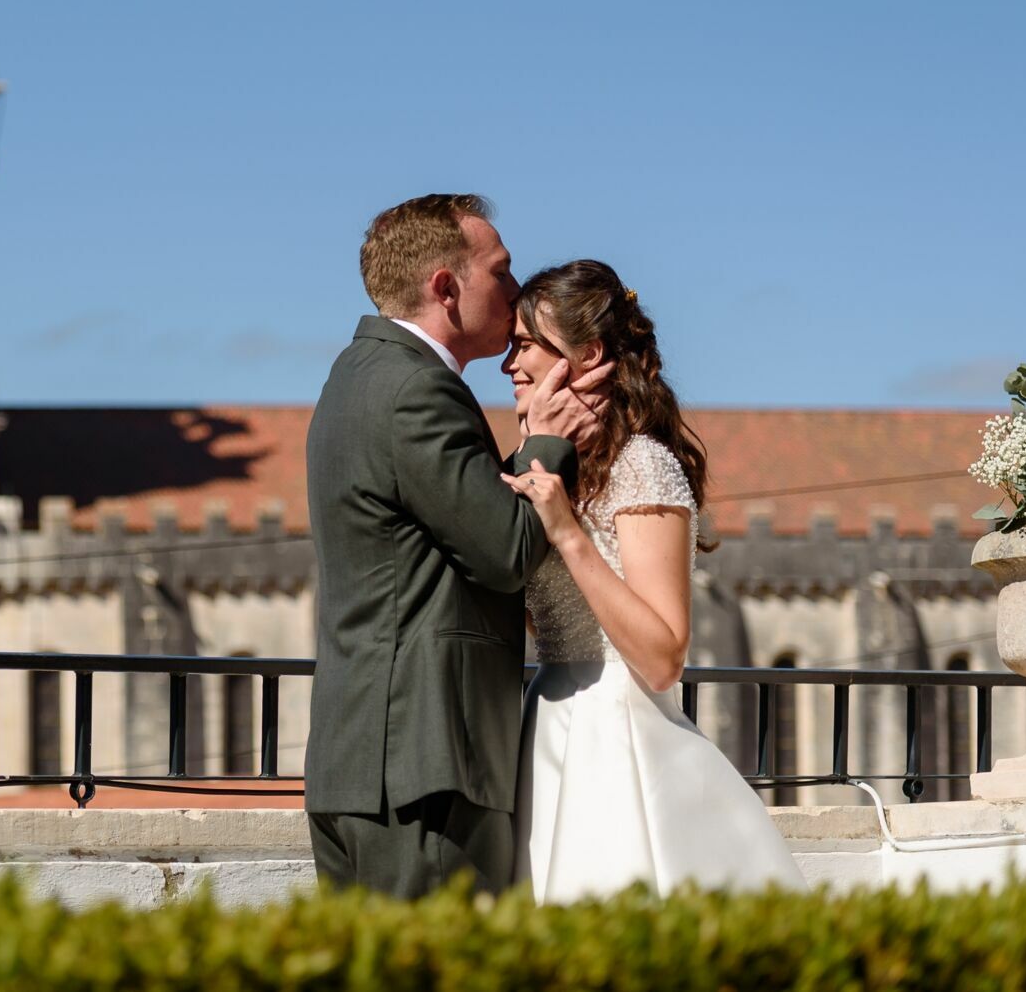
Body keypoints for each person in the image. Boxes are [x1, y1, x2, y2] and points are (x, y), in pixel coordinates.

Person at [304, 194, 608, 897]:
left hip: (361, 765)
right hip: (424, 770)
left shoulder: (356, 377)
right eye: (499, 271)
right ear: (447, 287)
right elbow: (504, 551)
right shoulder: (417, 390)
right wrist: (550, 441)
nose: (514, 288)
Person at [502, 259, 804, 900]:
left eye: (525, 344)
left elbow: (664, 656)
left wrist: (566, 532)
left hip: (618, 738)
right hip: (547, 728)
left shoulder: (642, 466)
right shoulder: (562, 469)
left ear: (586, 355)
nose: (510, 364)